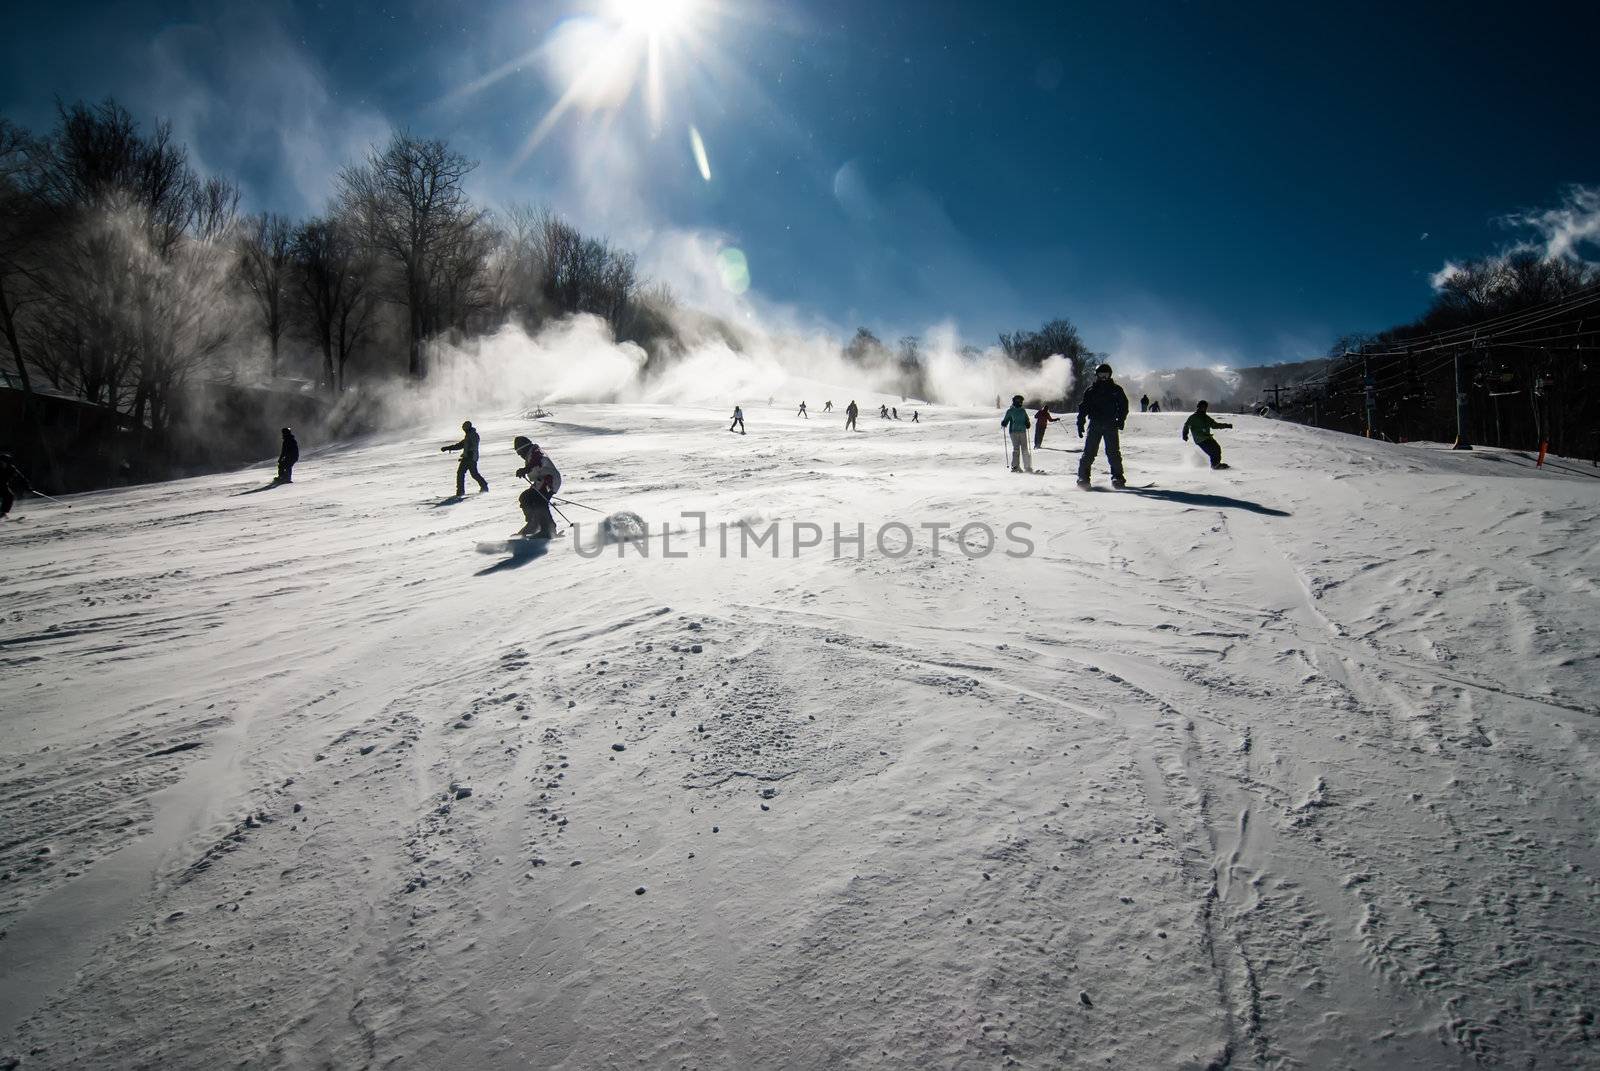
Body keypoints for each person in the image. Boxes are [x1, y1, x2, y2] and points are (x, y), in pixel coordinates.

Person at [1076, 363, 1129, 488]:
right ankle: (1083, 478)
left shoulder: (1116, 390)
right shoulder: (1091, 391)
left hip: (1110, 424)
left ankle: (1118, 477)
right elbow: (1084, 407)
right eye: (1101, 374)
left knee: (1113, 452)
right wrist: (1080, 422)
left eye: (1106, 374)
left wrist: (1121, 420)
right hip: (1095, 424)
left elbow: (1123, 406)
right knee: (1089, 452)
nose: (1104, 377)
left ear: (1110, 375)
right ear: (1097, 375)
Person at [512, 436, 562, 538]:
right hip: (541, 480)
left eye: (519, 452)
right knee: (525, 497)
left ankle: (548, 528)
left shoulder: (535, 451)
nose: (519, 455)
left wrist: (525, 470)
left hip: (549, 480)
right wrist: (526, 470)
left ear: (524, 448)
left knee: (540, 501)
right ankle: (533, 523)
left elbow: (537, 461)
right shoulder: (531, 453)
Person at [441, 420, 489, 496]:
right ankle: (484, 486)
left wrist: (467, 455)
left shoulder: (472, 435)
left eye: (464, 427)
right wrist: (448, 448)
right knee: (473, 474)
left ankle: (460, 492)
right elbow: (461, 445)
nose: (463, 429)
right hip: (470, 457)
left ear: (468, 427)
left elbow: (471, 446)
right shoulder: (469, 435)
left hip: (470, 457)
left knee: (461, 473)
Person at [1182, 400, 1235, 469]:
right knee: (1213, 450)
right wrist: (1185, 434)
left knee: (1217, 448)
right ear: (1198, 407)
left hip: (1207, 437)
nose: (1203, 408)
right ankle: (1215, 465)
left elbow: (1215, 425)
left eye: (1205, 407)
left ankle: (1216, 464)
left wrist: (1226, 425)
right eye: (1202, 407)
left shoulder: (1206, 418)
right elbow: (1187, 425)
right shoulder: (1193, 417)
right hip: (1200, 439)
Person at [1001, 394, 1033, 473]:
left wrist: (1027, 423)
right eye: (1018, 401)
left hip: (1022, 431)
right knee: (1016, 449)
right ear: (1014, 401)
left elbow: (1026, 419)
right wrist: (1004, 423)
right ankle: (1015, 466)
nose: (1020, 402)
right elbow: (1006, 419)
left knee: (1025, 448)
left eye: (1021, 401)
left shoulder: (1022, 410)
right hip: (1014, 432)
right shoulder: (1010, 411)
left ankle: (1027, 466)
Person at [1, 452, 34, 518]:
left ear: (8, 463)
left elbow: (21, 478)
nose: (1, 464)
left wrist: (27, 487)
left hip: (3, 485)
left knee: (9, 496)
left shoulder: (11, 469)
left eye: (3, 462)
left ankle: (2, 513)